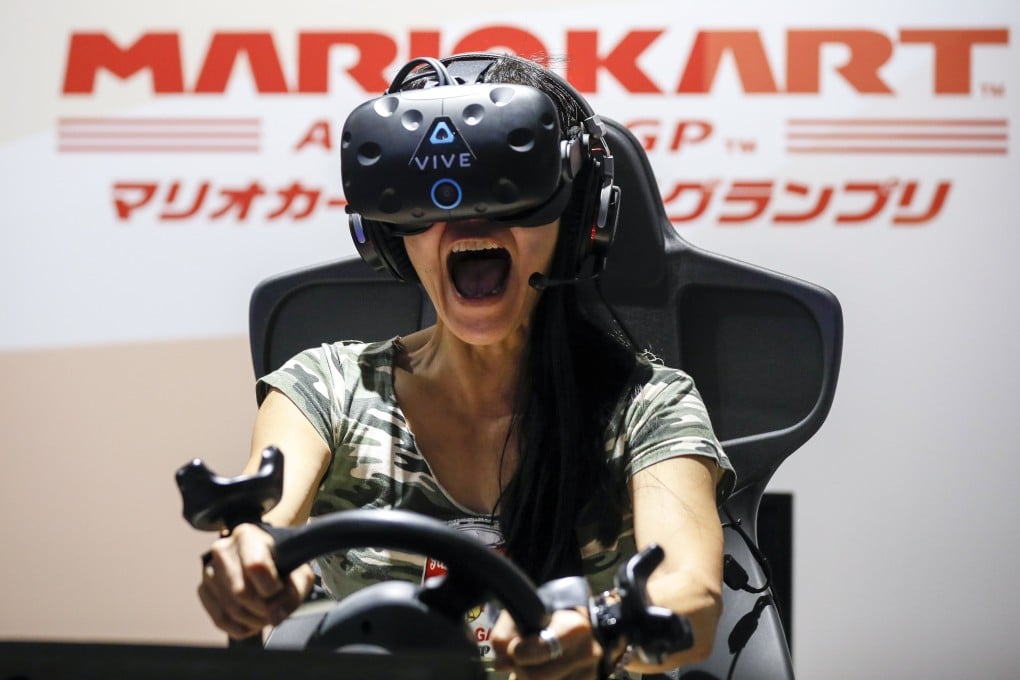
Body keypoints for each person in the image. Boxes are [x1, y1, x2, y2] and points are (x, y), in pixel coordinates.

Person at [197, 53, 735, 679]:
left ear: (578, 218)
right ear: (389, 233)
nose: (467, 222)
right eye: (429, 199)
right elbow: (266, 524)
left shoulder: (647, 405)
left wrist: (603, 626)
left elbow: (691, 597)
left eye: (510, 193)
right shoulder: (328, 390)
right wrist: (246, 564)